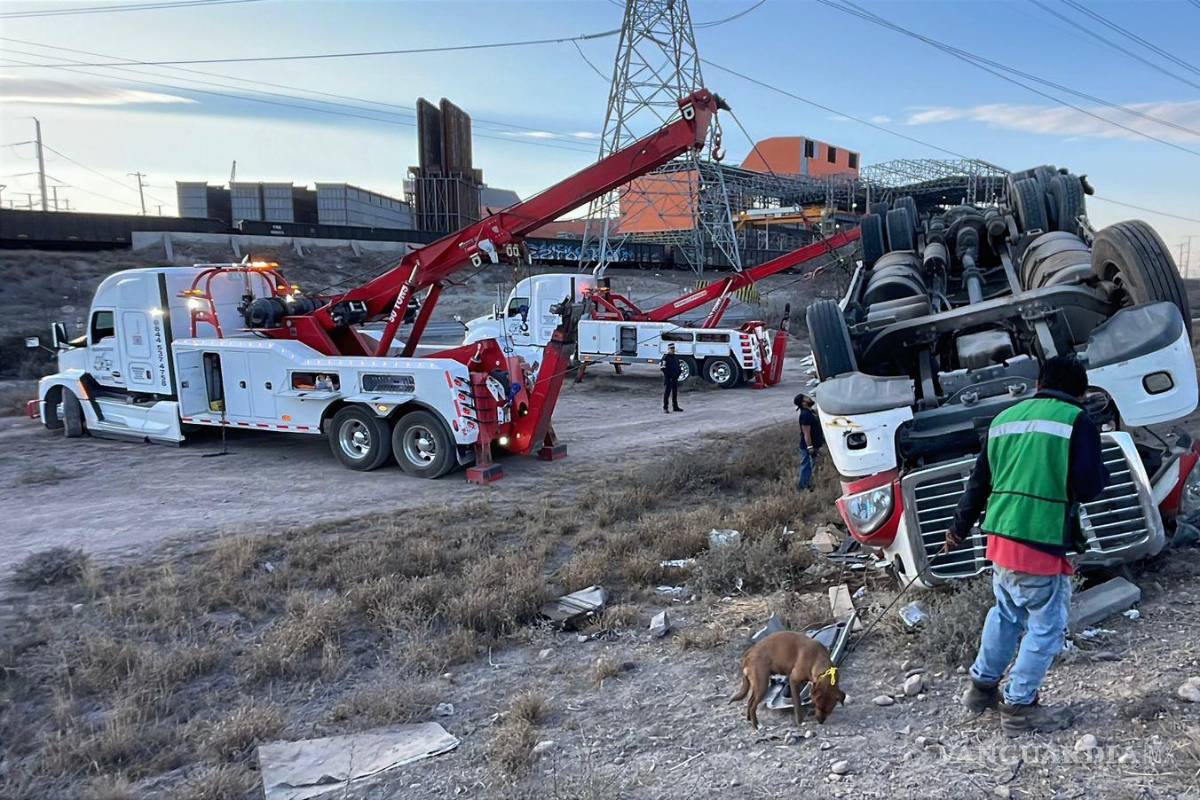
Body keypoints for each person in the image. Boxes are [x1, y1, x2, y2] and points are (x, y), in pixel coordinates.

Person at [944, 355, 1107, 736]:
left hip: (1000, 538)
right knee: (1047, 627)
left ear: (1038, 384)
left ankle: (981, 688)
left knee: (1006, 613)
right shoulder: (1076, 421)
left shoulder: (1004, 419)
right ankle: (1019, 706)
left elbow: (978, 483)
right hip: (1040, 539)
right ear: (1080, 392)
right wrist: (1104, 472)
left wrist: (958, 529)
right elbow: (1088, 486)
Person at [795, 393, 823, 491]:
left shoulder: (810, 412)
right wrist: (810, 447)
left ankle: (811, 485)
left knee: (813, 466)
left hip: (814, 445)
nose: (809, 398)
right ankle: (803, 487)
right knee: (806, 466)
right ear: (803, 403)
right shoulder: (805, 415)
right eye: (806, 398)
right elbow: (806, 433)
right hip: (808, 446)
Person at [661, 343, 683, 414]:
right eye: (671, 349)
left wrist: (679, 373)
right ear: (668, 349)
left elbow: (678, 366)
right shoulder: (665, 357)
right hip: (669, 378)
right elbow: (663, 368)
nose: (672, 350)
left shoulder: (675, 357)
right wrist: (669, 376)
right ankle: (665, 407)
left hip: (675, 378)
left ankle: (675, 407)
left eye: (673, 348)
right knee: (667, 393)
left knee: (675, 393)